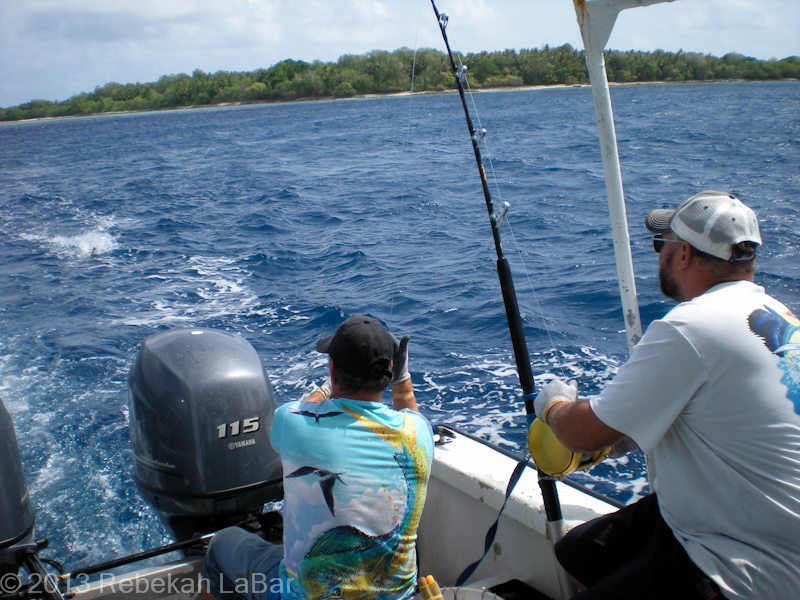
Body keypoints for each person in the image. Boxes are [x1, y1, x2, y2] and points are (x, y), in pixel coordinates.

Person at [534, 191, 800, 599]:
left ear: (684, 255)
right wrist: (622, 436)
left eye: (663, 244)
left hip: (750, 565)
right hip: (751, 517)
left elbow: (581, 434)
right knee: (580, 552)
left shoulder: (692, 326)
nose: (657, 255)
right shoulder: (780, 318)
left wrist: (552, 406)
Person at [203, 315, 434, 600]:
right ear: (388, 371)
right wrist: (401, 378)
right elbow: (411, 420)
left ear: (333, 370)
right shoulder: (419, 434)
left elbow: (297, 415)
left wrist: (325, 388)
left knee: (221, 544)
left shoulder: (293, 422)